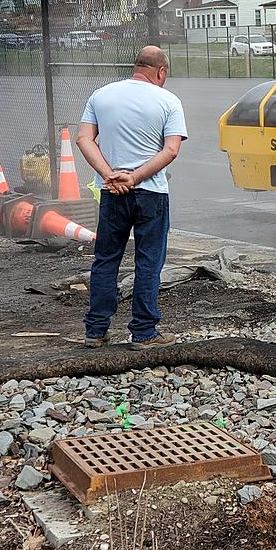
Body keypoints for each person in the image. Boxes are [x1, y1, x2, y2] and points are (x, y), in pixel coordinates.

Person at [77, 46, 187, 350]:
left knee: (106, 258)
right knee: (149, 261)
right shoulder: (169, 101)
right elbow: (171, 150)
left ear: (136, 67)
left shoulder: (101, 95)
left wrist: (110, 174)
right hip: (151, 193)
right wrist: (136, 177)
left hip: (112, 192)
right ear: (161, 71)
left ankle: (96, 330)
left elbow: (84, 138)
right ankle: (143, 332)